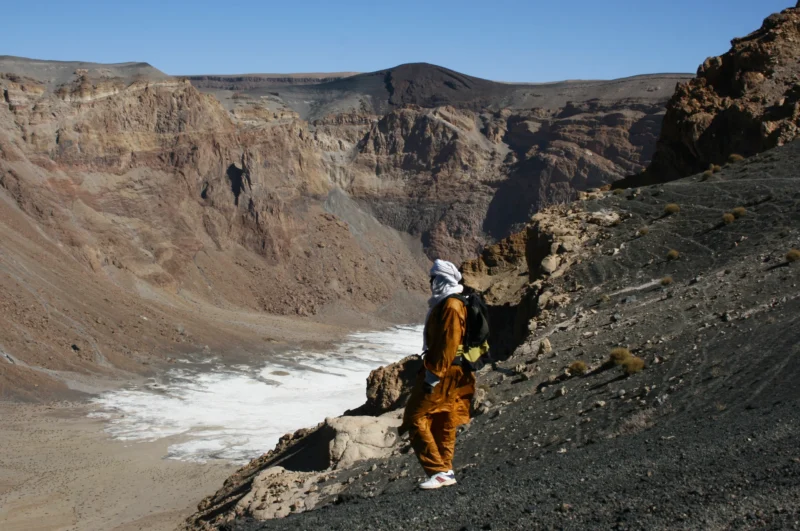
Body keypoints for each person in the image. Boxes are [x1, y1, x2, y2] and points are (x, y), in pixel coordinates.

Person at [400, 259, 476, 489]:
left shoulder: (451, 306)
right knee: (444, 417)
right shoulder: (448, 303)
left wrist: (434, 375)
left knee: (415, 416)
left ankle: (438, 470)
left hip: (445, 371)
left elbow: (449, 343)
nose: (431, 283)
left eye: (433, 279)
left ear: (441, 279)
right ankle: (446, 470)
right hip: (452, 370)